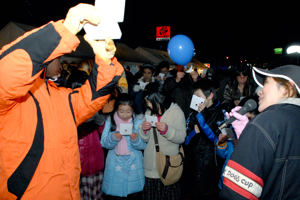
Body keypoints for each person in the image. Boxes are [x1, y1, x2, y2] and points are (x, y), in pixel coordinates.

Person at [0, 4, 124, 199]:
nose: (61, 61)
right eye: (58, 57)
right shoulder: (9, 101)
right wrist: (65, 30)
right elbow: (8, 71)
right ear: (46, 59)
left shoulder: (61, 96)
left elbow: (91, 98)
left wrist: (105, 60)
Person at [219, 65, 300, 199]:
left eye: (266, 83)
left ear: (286, 88)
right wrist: (247, 136)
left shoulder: (265, 121)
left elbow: (236, 193)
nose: (259, 92)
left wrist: (254, 131)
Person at [139, 82, 186, 200]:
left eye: (150, 101)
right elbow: (145, 139)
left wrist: (167, 130)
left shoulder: (176, 112)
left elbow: (181, 137)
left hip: (168, 167)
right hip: (150, 167)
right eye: (147, 101)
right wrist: (144, 131)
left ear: (160, 98)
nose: (148, 105)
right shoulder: (149, 112)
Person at [182, 79, 225, 200]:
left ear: (210, 95)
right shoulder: (192, 114)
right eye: (194, 96)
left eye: (198, 96)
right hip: (192, 167)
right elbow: (185, 141)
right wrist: (192, 133)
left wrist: (203, 115)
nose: (195, 99)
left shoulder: (221, 113)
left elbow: (216, 138)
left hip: (210, 168)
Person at [100, 93, 146, 199]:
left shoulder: (138, 121)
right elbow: (103, 143)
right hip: (115, 169)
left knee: (134, 195)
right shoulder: (110, 121)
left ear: (133, 110)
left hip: (134, 168)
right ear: (116, 109)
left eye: (128, 111)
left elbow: (143, 146)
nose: (125, 115)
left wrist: (136, 140)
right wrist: (113, 138)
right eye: (121, 111)